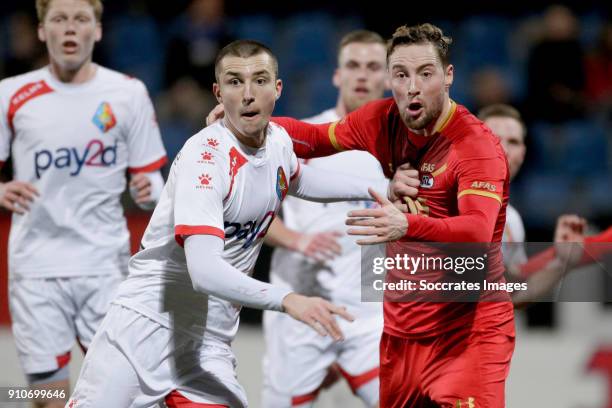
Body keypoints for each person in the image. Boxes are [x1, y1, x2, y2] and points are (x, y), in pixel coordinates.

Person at [67, 39, 413, 408]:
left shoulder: (278, 141)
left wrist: (381, 188)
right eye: (235, 82)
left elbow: (296, 179)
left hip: (208, 340)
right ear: (218, 93)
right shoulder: (206, 158)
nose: (248, 94)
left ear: (277, 89)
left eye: (260, 80)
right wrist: (287, 300)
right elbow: (204, 272)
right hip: (146, 326)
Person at [211, 23, 513, 407]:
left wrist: (407, 224)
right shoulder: (382, 120)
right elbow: (314, 138)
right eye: (402, 75)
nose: (413, 87)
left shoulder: (475, 147)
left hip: (465, 330)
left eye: (426, 74)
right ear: (391, 80)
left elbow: (477, 233)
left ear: (448, 76)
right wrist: (244, 121)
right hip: (401, 329)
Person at [0, 0, 167, 406]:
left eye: (80, 19)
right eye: (59, 19)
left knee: (126, 395)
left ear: (98, 30)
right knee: (45, 395)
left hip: (106, 268)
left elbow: (154, 180)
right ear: (42, 31)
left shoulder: (128, 93)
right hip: (36, 268)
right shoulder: (10, 94)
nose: (70, 29)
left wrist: (149, 189)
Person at [261, 30, 405, 408]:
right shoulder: (300, 139)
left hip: (369, 316)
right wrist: (297, 240)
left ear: (389, 78)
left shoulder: (406, 149)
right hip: (302, 310)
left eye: (373, 67)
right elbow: (248, 214)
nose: (362, 75)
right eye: (353, 66)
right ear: (337, 75)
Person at [478, 104, 528, 268]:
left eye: (513, 142)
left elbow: (515, 290)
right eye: (494, 139)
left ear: (522, 154)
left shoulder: (512, 220)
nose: (504, 150)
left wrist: (561, 262)